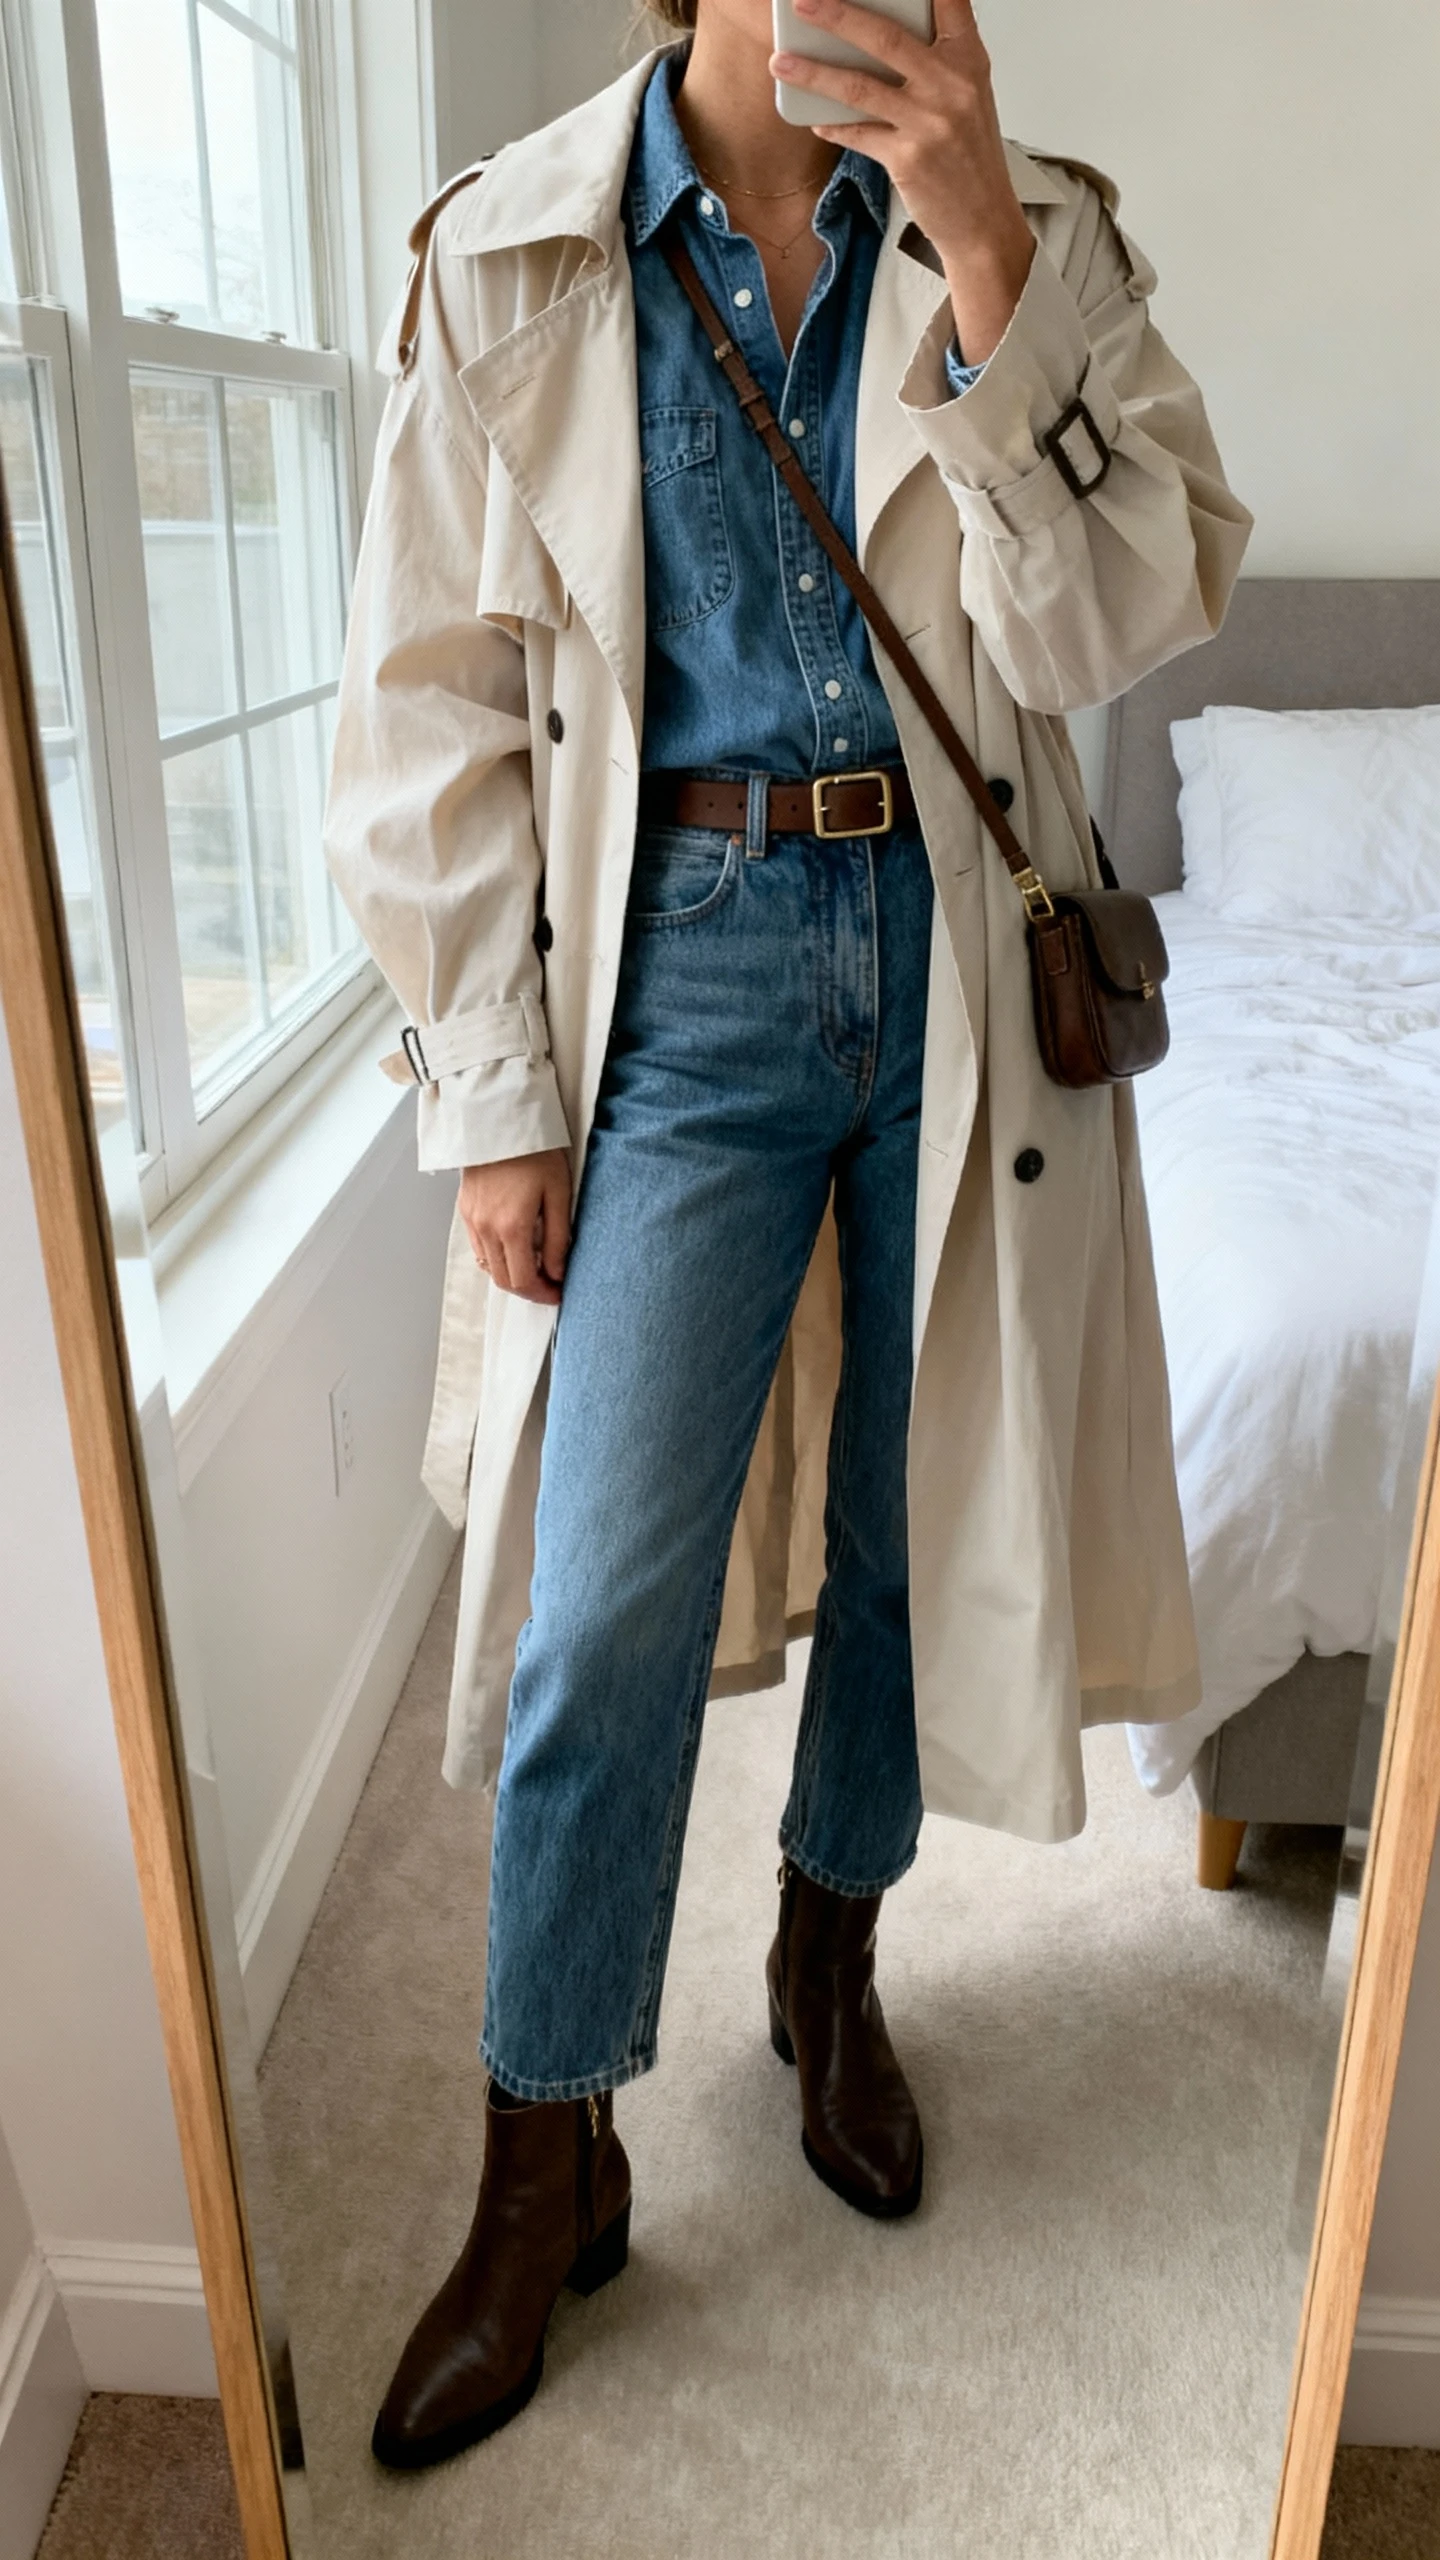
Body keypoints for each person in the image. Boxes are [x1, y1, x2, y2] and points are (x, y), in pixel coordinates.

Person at [323, 0, 1252, 2471]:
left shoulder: (1038, 228)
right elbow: (424, 702)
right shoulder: (513, 250)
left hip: (941, 937)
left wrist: (978, 249)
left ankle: (829, 1973)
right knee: (597, 1592)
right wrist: (493, 1097)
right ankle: (548, 2150)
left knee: (896, 1530)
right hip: (678, 967)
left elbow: (1118, 621)